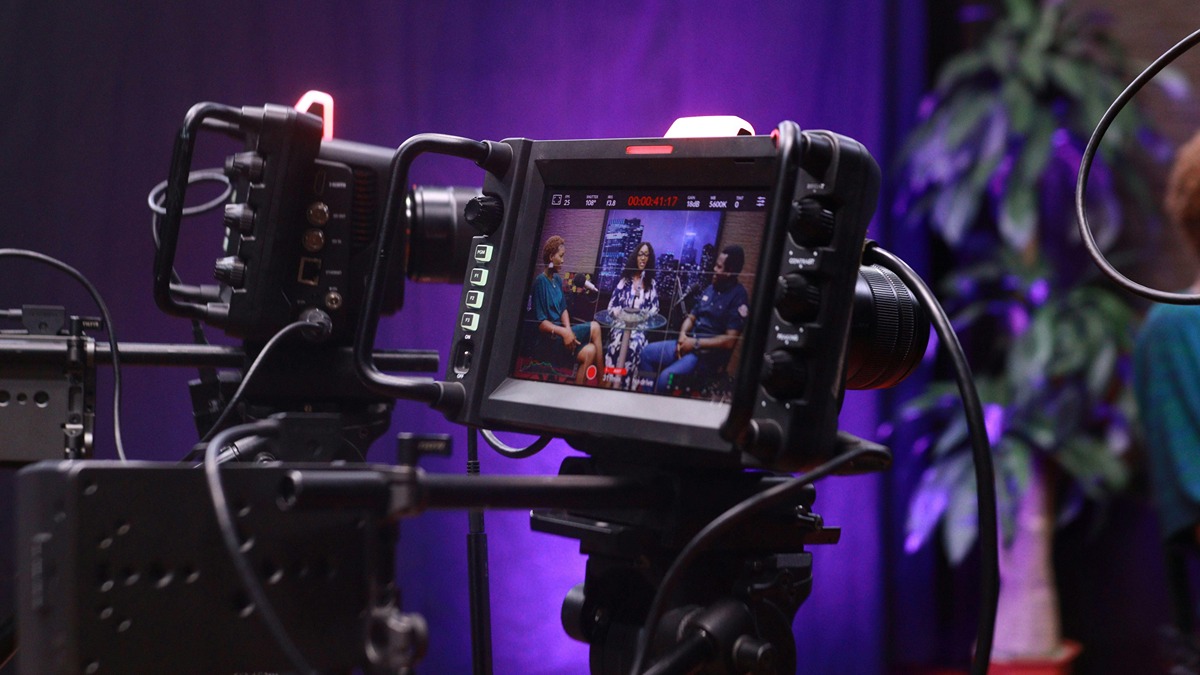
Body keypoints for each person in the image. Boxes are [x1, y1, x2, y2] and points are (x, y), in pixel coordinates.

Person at [640, 244, 748, 394]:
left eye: (719, 267)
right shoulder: (710, 289)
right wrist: (682, 336)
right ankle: (648, 399)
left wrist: (695, 344)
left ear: (730, 272)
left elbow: (730, 340)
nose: (714, 269)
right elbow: (691, 317)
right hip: (687, 343)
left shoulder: (739, 296)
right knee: (646, 353)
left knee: (665, 379)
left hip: (704, 356)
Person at [531, 235, 603, 385]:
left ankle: (575, 394)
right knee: (595, 327)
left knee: (590, 351)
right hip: (548, 342)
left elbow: (563, 309)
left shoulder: (557, 279)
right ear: (551, 257)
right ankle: (603, 382)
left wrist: (568, 330)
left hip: (562, 336)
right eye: (561, 256)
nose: (563, 260)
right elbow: (541, 323)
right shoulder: (540, 282)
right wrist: (564, 332)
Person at [603, 242, 659, 389]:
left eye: (646, 255)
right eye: (640, 254)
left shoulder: (651, 284)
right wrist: (620, 314)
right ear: (635, 257)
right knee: (617, 344)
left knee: (634, 346)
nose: (643, 258)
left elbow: (655, 309)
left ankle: (626, 386)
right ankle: (610, 382)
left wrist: (641, 317)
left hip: (639, 329)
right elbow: (611, 307)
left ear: (649, 259)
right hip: (621, 326)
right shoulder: (624, 282)